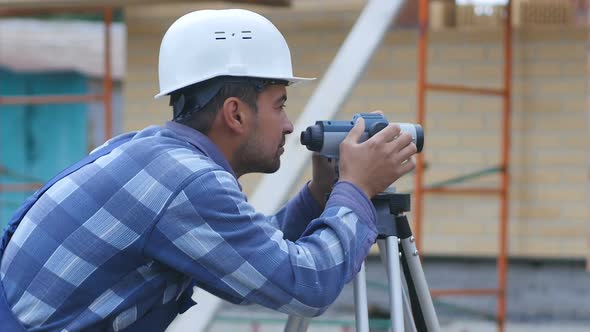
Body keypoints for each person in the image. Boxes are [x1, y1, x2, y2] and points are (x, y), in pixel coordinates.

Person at [0, 8, 417, 332]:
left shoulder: (150, 149)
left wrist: (320, 196)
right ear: (235, 114)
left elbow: (248, 255)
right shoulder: (190, 183)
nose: (290, 125)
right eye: (280, 104)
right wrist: (357, 190)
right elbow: (307, 284)